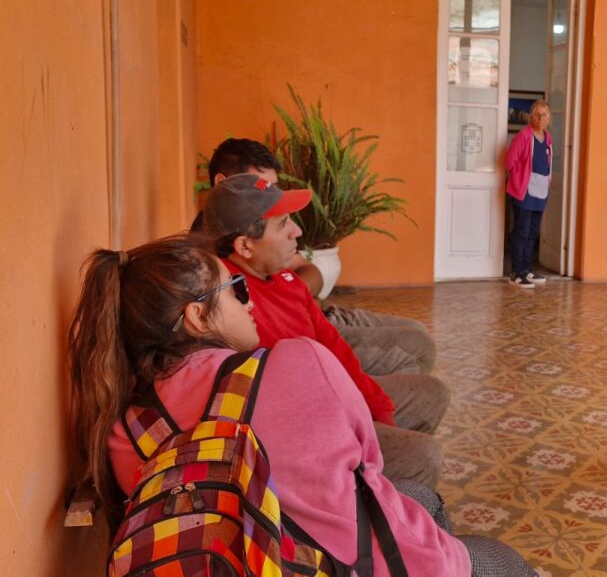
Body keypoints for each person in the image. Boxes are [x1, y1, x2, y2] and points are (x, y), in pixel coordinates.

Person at [67, 234, 535, 575]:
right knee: (503, 562)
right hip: (334, 565)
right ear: (196, 315)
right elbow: (366, 466)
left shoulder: (124, 432)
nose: (248, 303)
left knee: (424, 499)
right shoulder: (295, 362)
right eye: (235, 291)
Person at [202, 173, 450, 487]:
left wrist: (377, 407)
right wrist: (363, 425)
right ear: (245, 246)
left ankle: (381, 491)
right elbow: (290, 407)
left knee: (432, 393)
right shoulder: (234, 305)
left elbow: (335, 348)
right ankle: (377, 514)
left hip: (336, 402)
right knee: (424, 456)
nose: (298, 231)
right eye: (283, 225)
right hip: (308, 434)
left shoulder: (282, 279)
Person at [195, 137, 437, 376]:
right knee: (417, 351)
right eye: (259, 186)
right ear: (221, 182)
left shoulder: (267, 231)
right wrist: (290, 296)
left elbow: (310, 270)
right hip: (305, 332)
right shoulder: (208, 254)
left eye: (274, 187)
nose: (271, 196)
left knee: (417, 332)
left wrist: (294, 294)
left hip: (318, 313)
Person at [505, 101, 553, 288]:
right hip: (524, 191)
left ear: (549, 119)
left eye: (544, 115)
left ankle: (526, 269)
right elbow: (510, 162)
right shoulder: (523, 136)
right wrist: (519, 180)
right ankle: (516, 272)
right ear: (530, 117)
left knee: (533, 232)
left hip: (540, 190)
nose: (540, 118)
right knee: (521, 231)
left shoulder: (547, 137)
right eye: (537, 114)